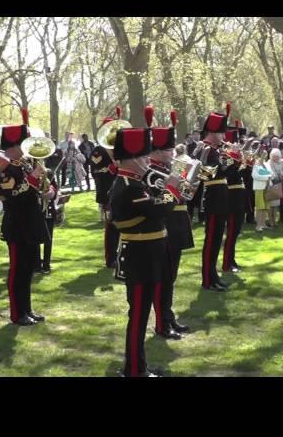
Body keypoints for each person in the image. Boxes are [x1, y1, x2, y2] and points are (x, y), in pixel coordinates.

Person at [109, 122, 183, 377]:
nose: (146, 158)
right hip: (140, 258)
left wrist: (166, 189)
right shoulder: (129, 187)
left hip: (150, 253)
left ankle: (139, 365)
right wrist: (172, 187)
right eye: (141, 155)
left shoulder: (136, 183)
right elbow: (158, 209)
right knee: (139, 317)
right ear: (130, 159)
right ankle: (134, 369)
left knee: (141, 315)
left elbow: (155, 207)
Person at [0, 108, 51, 326]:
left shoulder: (25, 164)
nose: (26, 149)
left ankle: (27, 309)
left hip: (31, 220)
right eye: (22, 145)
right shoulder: (1, 166)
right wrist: (34, 180)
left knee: (28, 269)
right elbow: (11, 195)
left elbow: (32, 190)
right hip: (17, 223)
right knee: (17, 270)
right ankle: (17, 313)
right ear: (13, 146)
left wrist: (47, 191)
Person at [143, 108, 192, 340]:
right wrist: (173, 186)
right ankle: (162, 323)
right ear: (159, 151)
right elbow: (159, 202)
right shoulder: (151, 171)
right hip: (165, 226)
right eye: (170, 149)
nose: (174, 153)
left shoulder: (168, 168)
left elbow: (186, 196)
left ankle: (168, 315)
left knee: (171, 276)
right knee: (163, 278)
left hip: (178, 222)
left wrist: (189, 182)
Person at [196, 103, 232, 291]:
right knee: (211, 240)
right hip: (211, 196)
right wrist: (223, 164)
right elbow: (203, 175)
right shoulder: (206, 149)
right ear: (212, 132)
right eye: (220, 133)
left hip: (221, 196)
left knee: (218, 238)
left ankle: (213, 276)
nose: (223, 136)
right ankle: (207, 279)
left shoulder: (216, 150)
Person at [91, 111, 120, 268]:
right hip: (107, 190)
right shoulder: (98, 149)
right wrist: (109, 167)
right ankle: (111, 258)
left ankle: (121, 254)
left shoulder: (118, 147)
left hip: (121, 189)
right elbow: (95, 169)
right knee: (112, 226)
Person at [222, 127, 245, 273]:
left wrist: (244, 161)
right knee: (231, 232)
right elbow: (228, 173)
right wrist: (234, 156)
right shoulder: (224, 156)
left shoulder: (235, 156)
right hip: (231, 197)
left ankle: (232, 259)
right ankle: (227, 263)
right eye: (234, 142)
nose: (237, 145)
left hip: (239, 196)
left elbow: (242, 172)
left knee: (236, 232)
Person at [265, 148, 283, 227]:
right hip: (271, 184)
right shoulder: (268, 162)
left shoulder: (281, 162)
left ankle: (275, 221)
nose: (275, 158)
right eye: (274, 156)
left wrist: (280, 173)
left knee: (276, 204)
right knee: (270, 204)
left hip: (278, 184)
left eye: (277, 156)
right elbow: (267, 172)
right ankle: (271, 221)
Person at [252, 151, 271, 231]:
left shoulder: (267, 164)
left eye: (265, 154)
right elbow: (255, 176)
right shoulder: (256, 164)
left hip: (266, 187)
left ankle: (263, 224)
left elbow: (271, 174)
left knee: (265, 207)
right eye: (262, 154)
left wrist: (266, 174)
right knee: (260, 207)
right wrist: (266, 177)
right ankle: (258, 225)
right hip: (259, 187)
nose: (264, 156)